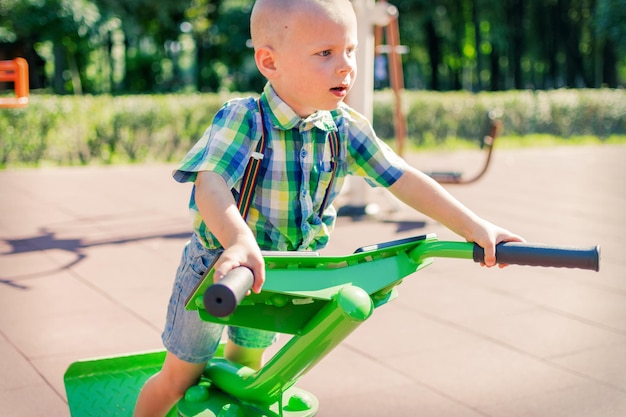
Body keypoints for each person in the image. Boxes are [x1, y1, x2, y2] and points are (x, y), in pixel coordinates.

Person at [133, 0, 524, 415]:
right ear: (269, 61)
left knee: (246, 371)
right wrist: (238, 239)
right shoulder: (246, 119)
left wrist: (475, 227)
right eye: (325, 53)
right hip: (220, 266)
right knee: (180, 378)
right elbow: (210, 182)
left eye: (350, 51)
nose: (345, 66)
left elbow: (403, 178)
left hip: (278, 274)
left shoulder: (344, 127)